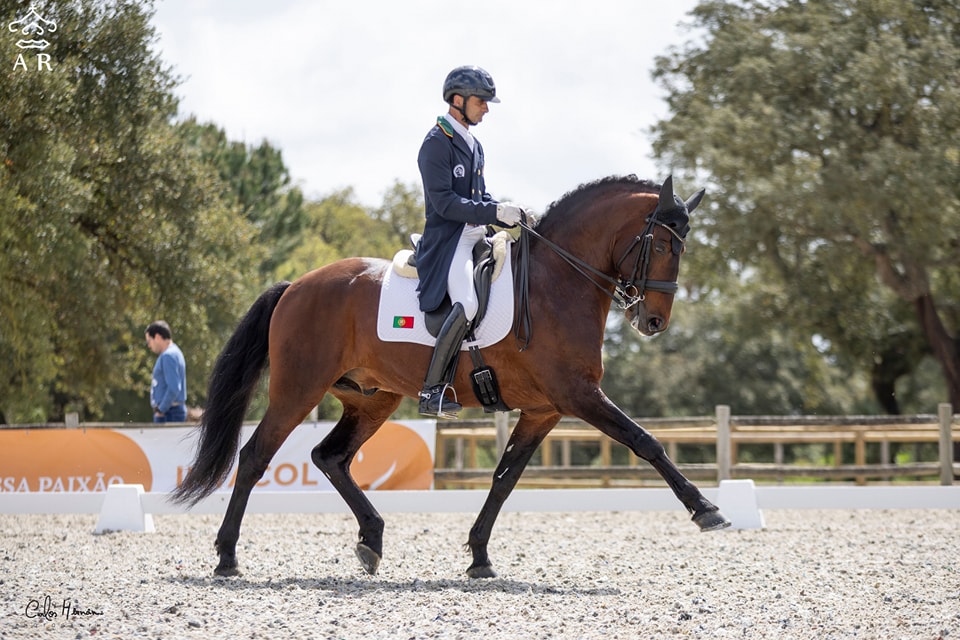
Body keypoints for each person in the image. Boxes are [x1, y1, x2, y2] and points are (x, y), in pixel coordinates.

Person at [415, 65, 524, 418]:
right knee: (468, 302)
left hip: (476, 234)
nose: (486, 109)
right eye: (481, 101)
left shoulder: (473, 144)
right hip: (450, 241)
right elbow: (445, 203)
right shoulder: (436, 143)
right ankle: (432, 390)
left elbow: (477, 194)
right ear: (458, 100)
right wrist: (495, 212)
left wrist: (507, 212)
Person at [145, 320, 187, 423]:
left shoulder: (168, 356)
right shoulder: (174, 352)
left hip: (169, 413)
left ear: (158, 337)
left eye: (149, 341)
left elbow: (174, 387)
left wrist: (161, 409)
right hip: (171, 411)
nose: (149, 346)